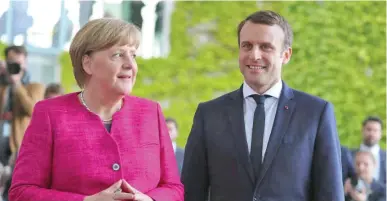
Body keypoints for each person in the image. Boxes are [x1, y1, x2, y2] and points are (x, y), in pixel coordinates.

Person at [9, 18, 183, 201]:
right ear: (87, 64)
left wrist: (149, 200)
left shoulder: (151, 112)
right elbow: (22, 192)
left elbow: (173, 188)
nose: (130, 65)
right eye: (118, 55)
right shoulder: (50, 114)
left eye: (133, 55)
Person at [182, 10, 344, 201]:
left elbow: (330, 194)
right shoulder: (209, 114)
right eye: (247, 46)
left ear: (286, 55)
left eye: (266, 47)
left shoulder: (315, 114)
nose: (254, 55)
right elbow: (191, 192)